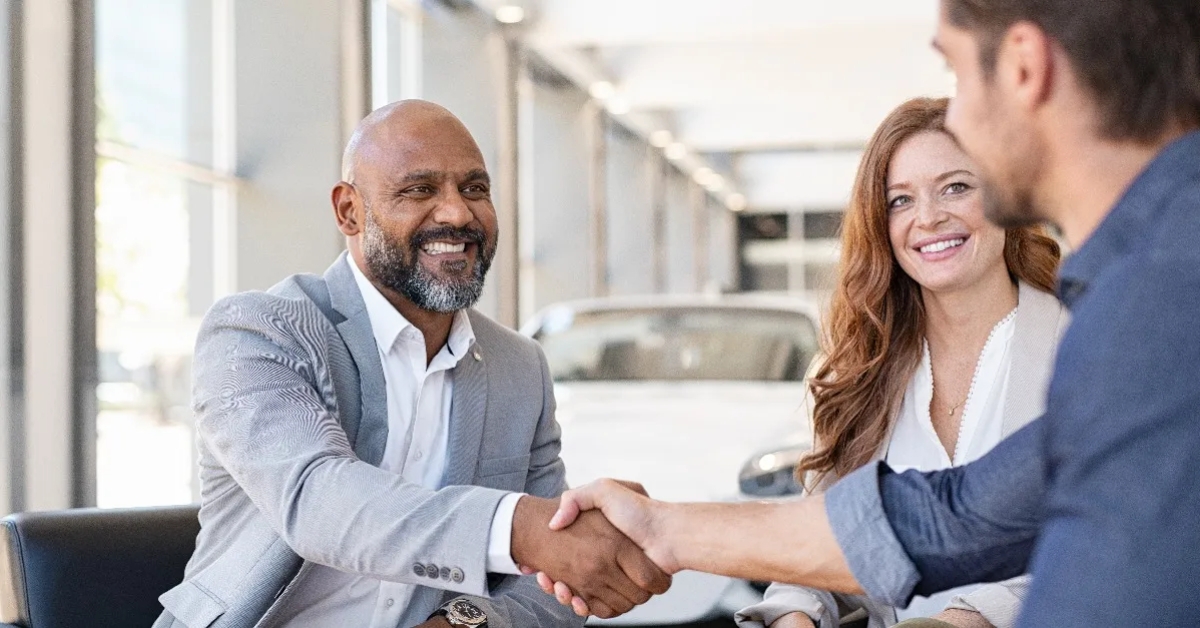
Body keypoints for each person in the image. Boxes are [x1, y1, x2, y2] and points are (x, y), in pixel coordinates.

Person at [534, 1, 1200, 625]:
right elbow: (954, 519)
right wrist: (665, 529)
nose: (960, 120)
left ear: (1026, 67)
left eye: (956, 74)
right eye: (900, 199)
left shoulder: (1152, 303)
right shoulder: (1140, 285)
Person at [154, 100, 669, 628]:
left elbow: (550, 581)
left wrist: (462, 623)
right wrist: (520, 528)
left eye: (474, 189)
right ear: (349, 211)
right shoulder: (258, 331)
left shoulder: (519, 367)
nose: (457, 214)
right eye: (420, 190)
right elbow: (316, 497)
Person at [735, 97, 1066, 628]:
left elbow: (1107, 538)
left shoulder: (1079, 342)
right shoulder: (862, 368)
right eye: (900, 200)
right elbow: (820, 548)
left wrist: (964, 621)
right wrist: (794, 613)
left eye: (956, 187)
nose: (928, 217)